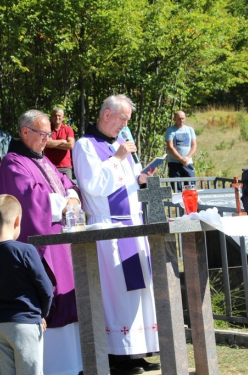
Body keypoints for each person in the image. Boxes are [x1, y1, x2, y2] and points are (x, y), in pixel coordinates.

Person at [72, 94, 161, 374]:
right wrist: (118, 157)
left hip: (132, 226)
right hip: (108, 229)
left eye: (127, 121)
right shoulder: (85, 145)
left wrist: (141, 178)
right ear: (107, 114)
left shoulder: (119, 145)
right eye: (122, 119)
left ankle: (137, 351)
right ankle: (117, 356)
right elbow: (94, 185)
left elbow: (126, 183)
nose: (125, 125)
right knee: (117, 295)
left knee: (138, 291)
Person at [0, 109, 83, 375]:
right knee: (51, 298)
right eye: (42, 134)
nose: (47, 139)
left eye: (49, 134)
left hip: (61, 244)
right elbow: (30, 200)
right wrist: (64, 203)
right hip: (41, 248)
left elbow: (66, 182)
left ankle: (73, 365)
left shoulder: (44, 161)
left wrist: (72, 197)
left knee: (69, 301)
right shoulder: (14, 163)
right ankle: (53, 368)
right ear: (25, 132)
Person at [0, 194, 54, 375]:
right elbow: (45, 289)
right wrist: (41, 314)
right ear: (17, 220)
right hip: (25, 323)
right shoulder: (26, 250)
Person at [165, 110, 197, 192]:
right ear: (174, 119)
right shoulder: (170, 130)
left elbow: (194, 145)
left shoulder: (190, 130)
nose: (181, 121)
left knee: (191, 188)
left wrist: (187, 157)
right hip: (174, 163)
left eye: (183, 118)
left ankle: (190, 204)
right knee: (177, 188)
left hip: (188, 163)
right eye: (179, 119)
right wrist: (181, 159)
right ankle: (179, 204)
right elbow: (170, 147)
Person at [44, 107, 75, 179]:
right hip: (49, 165)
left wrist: (53, 144)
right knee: (51, 189)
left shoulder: (68, 129)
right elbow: (46, 143)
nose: (57, 117)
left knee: (68, 189)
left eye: (59, 116)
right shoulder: (47, 129)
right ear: (51, 117)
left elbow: (70, 145)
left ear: (63, 117)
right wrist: (62, 141)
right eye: (55, 115)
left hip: (65, 167)